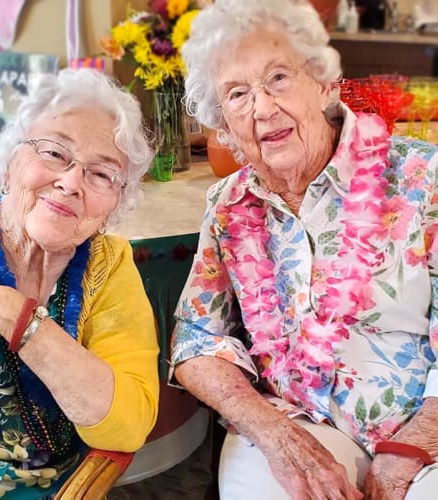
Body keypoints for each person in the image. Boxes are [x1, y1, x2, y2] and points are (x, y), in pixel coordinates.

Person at [170, 1, 438, 499]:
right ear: (223, 125)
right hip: (300, 422)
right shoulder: (228, 206)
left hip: (425, 427)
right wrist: (272, 431)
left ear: (323, 82)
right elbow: (194, 340)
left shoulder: (424, 179)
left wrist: (414, 447)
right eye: (237, 93)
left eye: (277, 78)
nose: (263, 108)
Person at [0, 68, 159, 499]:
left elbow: (129, 425)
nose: (71, 182)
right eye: (55, 153)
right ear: (9, 163)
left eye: (101, 175)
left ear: (113, 207)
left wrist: (10, 312)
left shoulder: (108, 268)